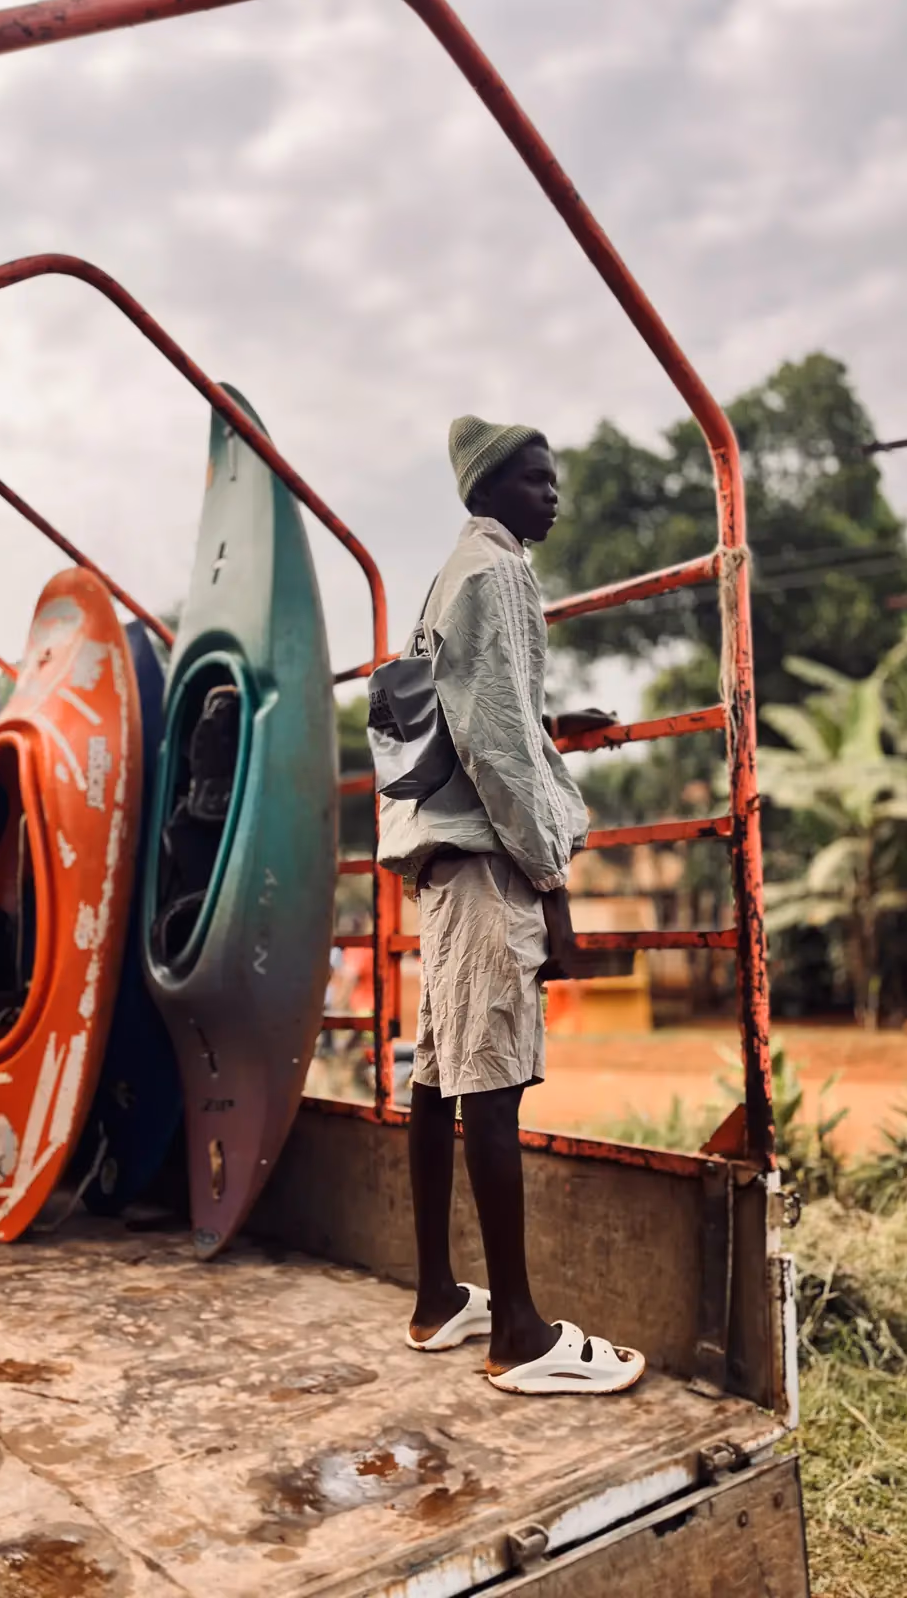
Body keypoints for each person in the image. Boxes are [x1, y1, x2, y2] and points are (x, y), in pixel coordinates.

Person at [377, 415, 644, 1396]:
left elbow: (468, 709)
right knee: (490, 1076)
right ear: (490, 487)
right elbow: (492, 752)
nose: (556, 492)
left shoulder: (451, 576)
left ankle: (438, 1296)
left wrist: (548, 726)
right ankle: (520, 1333)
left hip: (438, 864)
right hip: (485, 864)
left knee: (440, 1073)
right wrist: (553, 875)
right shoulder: (501, 578)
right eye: (537, 478)